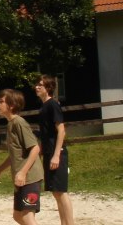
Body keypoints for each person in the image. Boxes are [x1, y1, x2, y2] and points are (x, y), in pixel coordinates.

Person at [0, 89, 43, 225]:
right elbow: (14, 155)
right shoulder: (10, 124)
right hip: (21, 179)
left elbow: (35, 148)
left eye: (1, 102)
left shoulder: (19, 122)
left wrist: (23, 172)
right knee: (17, 216)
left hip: (30, 178)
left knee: (27, 217)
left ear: (11, 105)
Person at [34, 75, 74, 225]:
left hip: (57, 153)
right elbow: (46, 133)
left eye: (40, 85)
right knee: (56, 192)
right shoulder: (44, 107)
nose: (37, 87)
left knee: (61, 192)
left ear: (48, 88)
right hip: (49, 152)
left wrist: (56, 155)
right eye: (37, 84)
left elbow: (61, 131)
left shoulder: (52, 105)